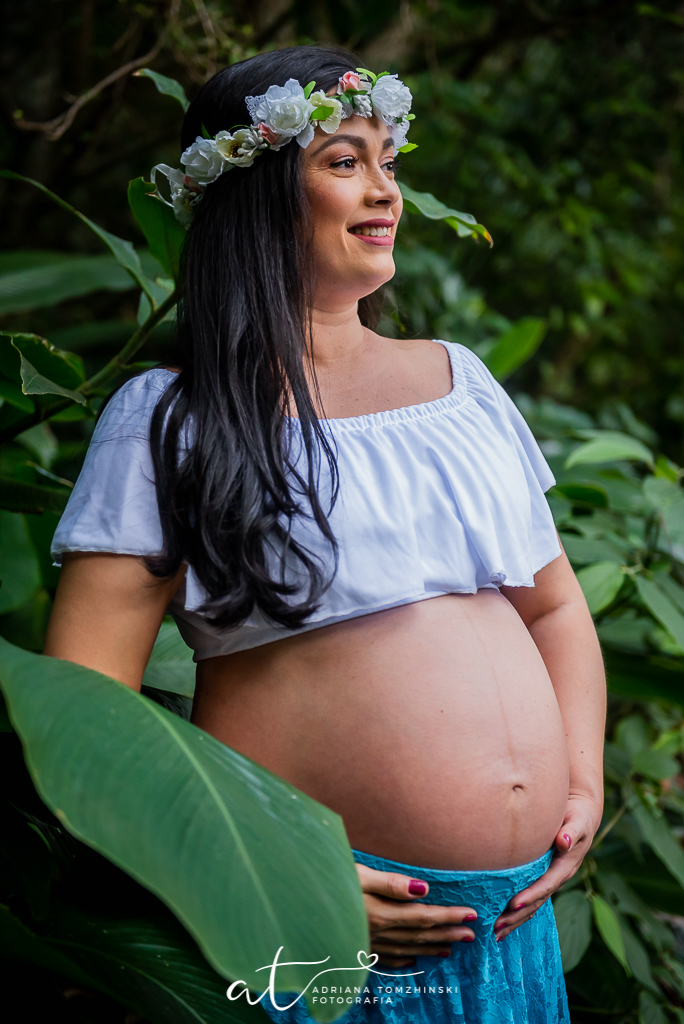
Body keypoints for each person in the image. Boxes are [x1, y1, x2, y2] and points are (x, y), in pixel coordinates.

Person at [45, 44, 606, 1024]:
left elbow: (553, 604)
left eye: (391, 160)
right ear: (253, 192)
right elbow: (86, 709)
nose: (386, 189)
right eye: (346, 161)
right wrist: (284, 879)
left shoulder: (460, 381)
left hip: (511, 926)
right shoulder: (172, 417)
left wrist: (584, 779)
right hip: (315, 924)